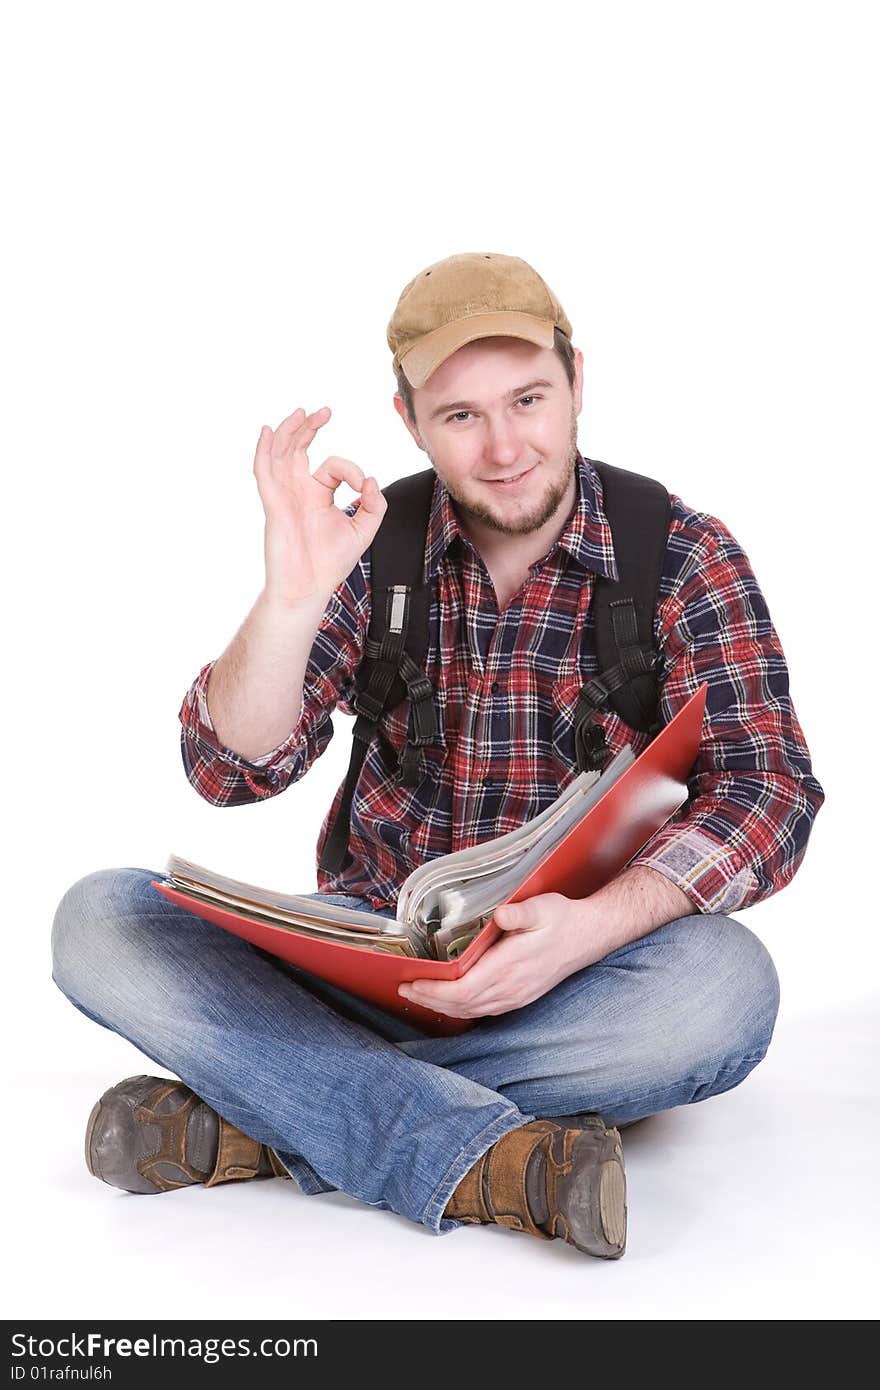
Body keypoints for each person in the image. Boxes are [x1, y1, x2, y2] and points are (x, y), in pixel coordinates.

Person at [51, 251, 824, 1261]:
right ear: (409, 419)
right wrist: (290, 598)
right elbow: (229, 769)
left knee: (725, 992)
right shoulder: (375, 548)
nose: (505, 446)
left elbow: (768, 789)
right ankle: (490, 1156)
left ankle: (261, 1111)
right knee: (101, 920)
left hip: (581, 969)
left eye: (528, 400)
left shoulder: (678, 552)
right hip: (367, 947)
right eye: (460, 415)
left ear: (577, 381)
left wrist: (594, 927)